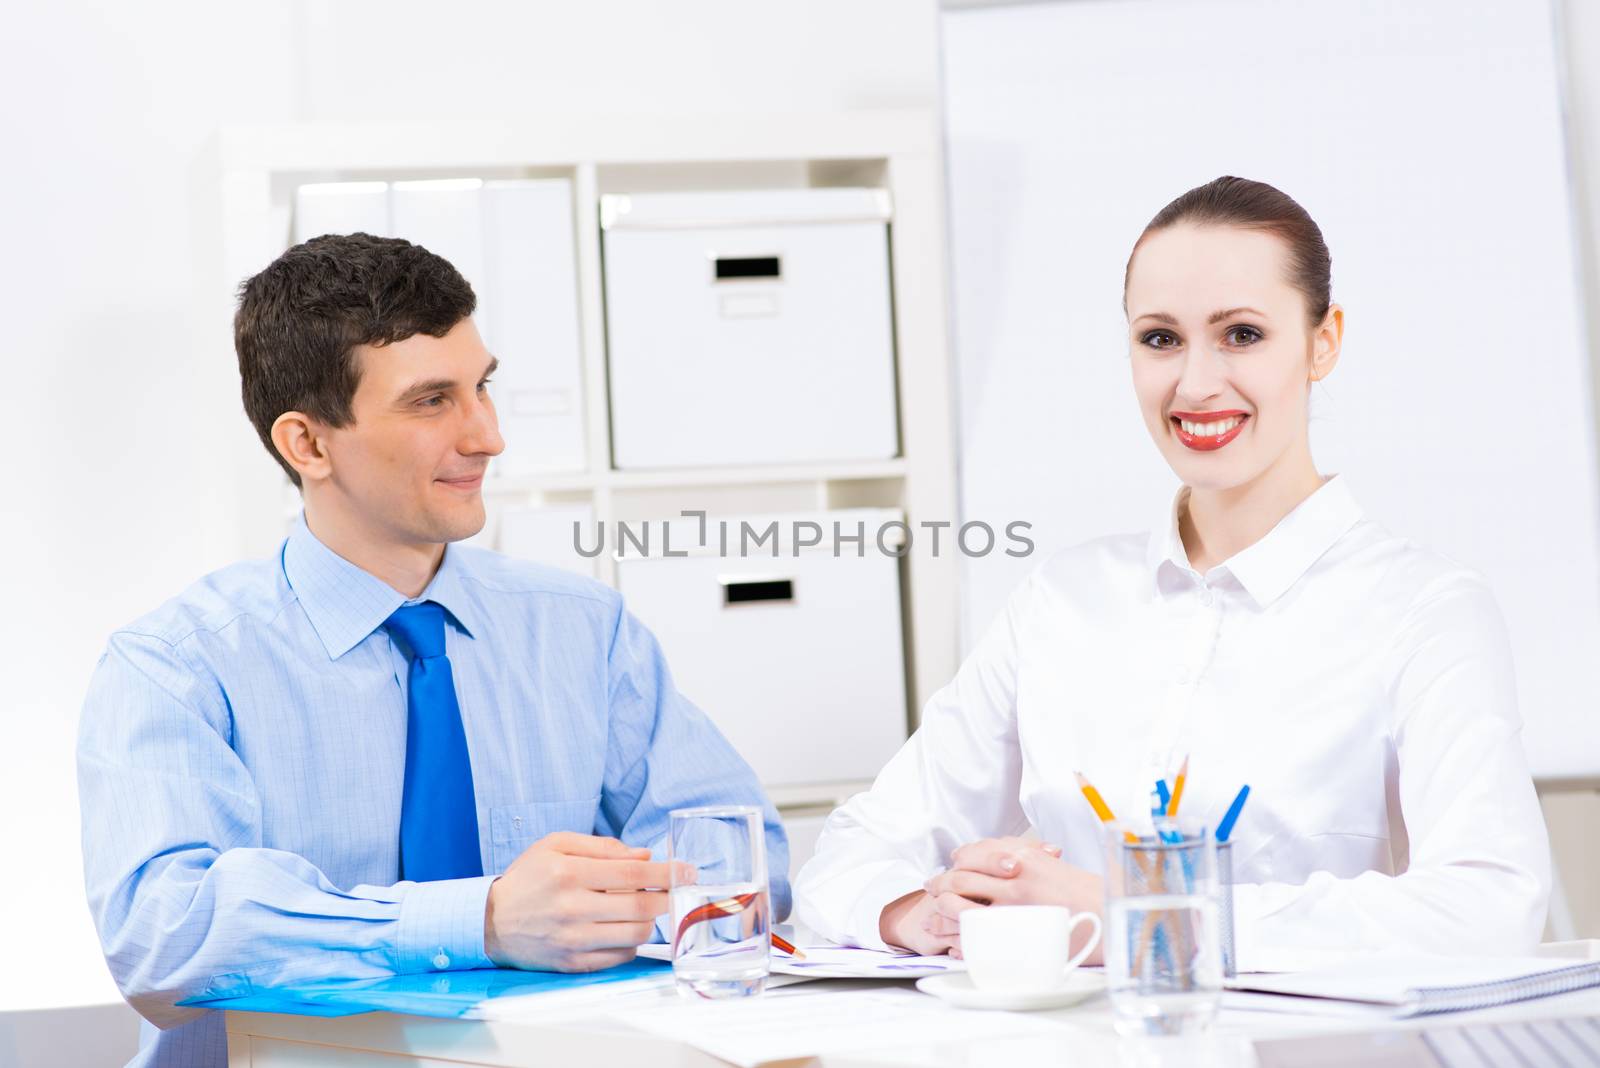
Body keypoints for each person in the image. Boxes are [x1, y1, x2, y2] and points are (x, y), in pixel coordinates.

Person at [793, 176, 1550, 969]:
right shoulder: (1064, 600)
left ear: (1323, 341)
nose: (1194, 384)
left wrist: (1135, 916)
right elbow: (855, 850)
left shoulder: (1423, 610)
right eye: (1160, 338)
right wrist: (924, 912)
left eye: (1243, 335)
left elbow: (1490, 904)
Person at [78, 233, 789, 1067]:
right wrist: (483, 919)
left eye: (481, 388)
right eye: (431, 401)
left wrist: (613, 909)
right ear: (307, 445)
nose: (486, 437)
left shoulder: (584, 630)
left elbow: (739, 860)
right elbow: (165, 937)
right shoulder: (176, 666)